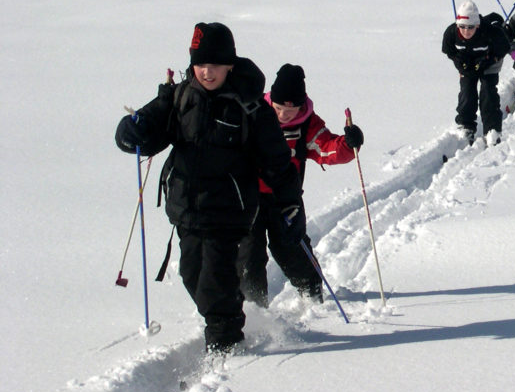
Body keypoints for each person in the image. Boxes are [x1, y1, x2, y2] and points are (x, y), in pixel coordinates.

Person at [114, 22, 303, 354]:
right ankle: (228, 321)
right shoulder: (181, 96)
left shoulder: (250, 106)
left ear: (230, 64)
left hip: (229, 209)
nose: (207, 72)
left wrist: (288, 201)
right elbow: (147, 130)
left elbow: (275, 158)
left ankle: (226, 345)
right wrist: (131, 133)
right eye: (200, 64)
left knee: (215, 282)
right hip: (187, 208)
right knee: (192, 274)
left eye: (214, 64)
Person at [236, 64, 363, 307]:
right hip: (250, 197)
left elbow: (326, 149)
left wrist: (348, 144)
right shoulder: (255, 114)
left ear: (301, 106)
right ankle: (254, 306)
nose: (284, 114)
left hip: (286, 199)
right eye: (279, 108)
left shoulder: (308, 124)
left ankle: (311, 290)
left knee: (292, 247)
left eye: (290, 109)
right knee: (248, 255)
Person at [441, 0, 510, 146]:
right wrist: (459, 61)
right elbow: (449, 51)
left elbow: (504, 47)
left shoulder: (490, 32)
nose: (466, 31)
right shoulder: (451, 32)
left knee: (488, 92)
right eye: (462, 27)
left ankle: (492, 129)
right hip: (468, 65)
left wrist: (489, 60)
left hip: (489, 63)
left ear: (477, 25)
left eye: (470, 27)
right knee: (467, 92)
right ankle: (466, 126)